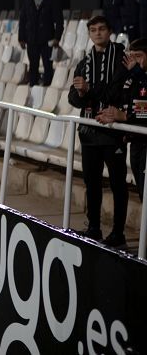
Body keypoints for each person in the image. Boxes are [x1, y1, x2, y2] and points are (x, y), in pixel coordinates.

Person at [69, 16, 128, 245]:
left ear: (110, 31)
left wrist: (89, 89)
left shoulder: (121, 59)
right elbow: (72, 96)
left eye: (102, 29)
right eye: (93, 30)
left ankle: (119, 233)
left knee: (117, 185)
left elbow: (115, 93)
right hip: (89, 133)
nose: (97, 33)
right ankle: (94, 227)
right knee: (91, 183)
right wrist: (82, 94)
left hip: (113, 133)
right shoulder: (84, 62)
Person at [102, 37, 147, 206]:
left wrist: (125, 117)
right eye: (132, 56)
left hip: (145, 143)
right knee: (143, 193)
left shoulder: (139, 76)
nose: (134, 61)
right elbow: (126, 103)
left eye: (139, 56)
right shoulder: (131, 78)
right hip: (135, 141)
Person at [18, 0, 64, 86]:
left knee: (48, 66)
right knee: (33, 66)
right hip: (31, 39)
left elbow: (59, 21)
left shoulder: (52, 0)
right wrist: (21, 38)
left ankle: (47, 87)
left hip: (47, 39)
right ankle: (33, 87)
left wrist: (57, 38)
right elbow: (22, 20)